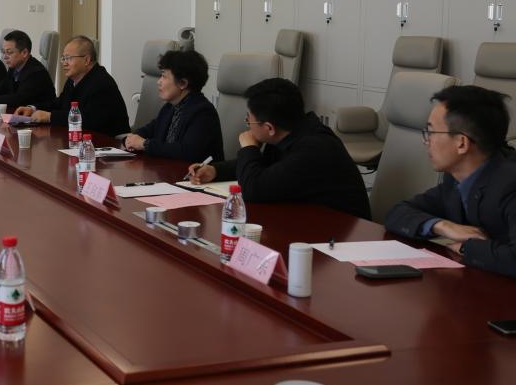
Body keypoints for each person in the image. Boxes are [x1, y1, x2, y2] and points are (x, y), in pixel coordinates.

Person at [188, 78, 370, 219]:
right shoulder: (292, 132)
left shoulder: (314, 149)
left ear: (269, 128)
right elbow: (264, 167)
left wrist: (249, 147)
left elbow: (253, 189)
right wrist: (216, 170)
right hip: (307, 220)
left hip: (341, 235)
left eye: (249, 120)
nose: (248, 124)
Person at [385, 86, 516, 277]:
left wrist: (466, 247)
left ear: (461, 143)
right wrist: (444, 226)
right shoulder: (456, 179)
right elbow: (397, 213)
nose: (426, 141)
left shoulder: (510, 184)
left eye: (431, 132)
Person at [15, 36, 130, 139]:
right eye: (63, 58)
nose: (64, 63)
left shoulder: (101, 83)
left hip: (109, 143)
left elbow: (89, 120)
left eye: (69, 58)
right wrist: (33, 109)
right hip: (81, 140)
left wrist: (50, 117)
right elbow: (60, 103)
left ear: (87, 60)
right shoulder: (73, 79)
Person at [122, 50, 224, 163]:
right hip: (166, 170)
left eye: (164, 76)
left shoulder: (203, 112)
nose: (159, 82)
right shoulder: (169, 107)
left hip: (192, 173)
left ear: (183, 83)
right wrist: (131, 139)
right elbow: (149, 130)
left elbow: (186, 151)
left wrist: (144, 144)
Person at [0, 29, 56, 110]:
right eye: (4, 52)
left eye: (9, 52)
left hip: (40, 116)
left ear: (24, 53)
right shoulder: (15, 67)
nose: (5, 57)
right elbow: (3, 87)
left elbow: (18, 99)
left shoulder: (36, 73)